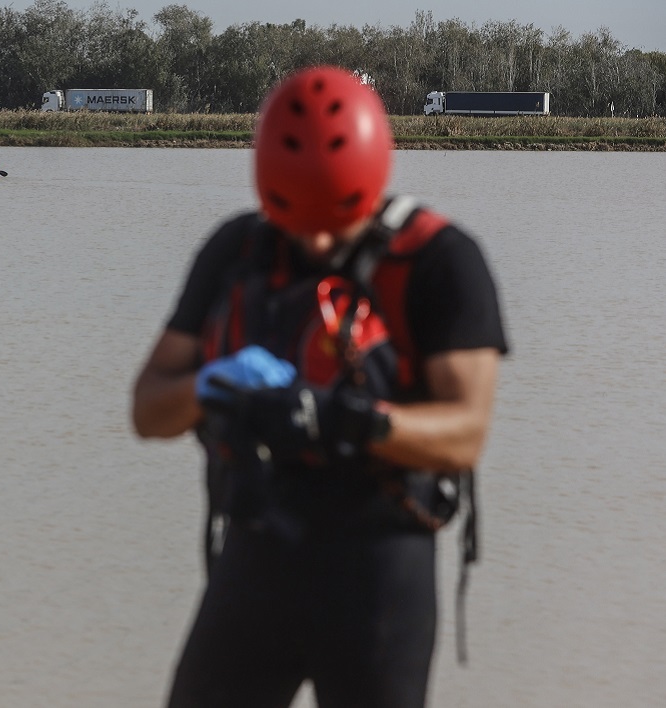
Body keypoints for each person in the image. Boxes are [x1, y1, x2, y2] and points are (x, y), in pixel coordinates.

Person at [131, 65, 507, 707]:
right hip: (255, 556)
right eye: (294, 218)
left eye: (337, 218)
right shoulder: (237, 250)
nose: (318, 240)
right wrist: (212, 384)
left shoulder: (441, 261)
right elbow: (148, 411)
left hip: (380, 571)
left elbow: (465, 436)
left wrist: (342, 417)